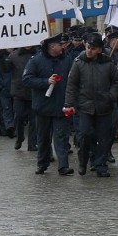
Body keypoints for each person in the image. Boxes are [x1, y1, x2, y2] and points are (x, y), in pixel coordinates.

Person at [65, 32, 118, 177]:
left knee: (103, 137)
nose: (89, 51)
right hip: (84, 107)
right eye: (88, 47)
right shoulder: (79, 63)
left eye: (93, 48)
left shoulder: (108, 63)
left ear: (99, 50)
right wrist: (70, 104)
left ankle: (100, 165)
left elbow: (116, 82)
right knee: (84, 135)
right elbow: (72, 84)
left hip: (104, 107)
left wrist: (111, 96)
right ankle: (83, 160)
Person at [22, 33, 74, 176]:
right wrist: (45, 81)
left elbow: (73, 79)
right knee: (43, 138)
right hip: (43, 107)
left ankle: (63, 166)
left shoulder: (67, 59)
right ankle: (42, 164)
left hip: (61, 105)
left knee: (61, 137)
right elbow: (26, 79)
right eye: (60, 44)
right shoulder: (36, 60)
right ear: (52, 46)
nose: (62, 47)